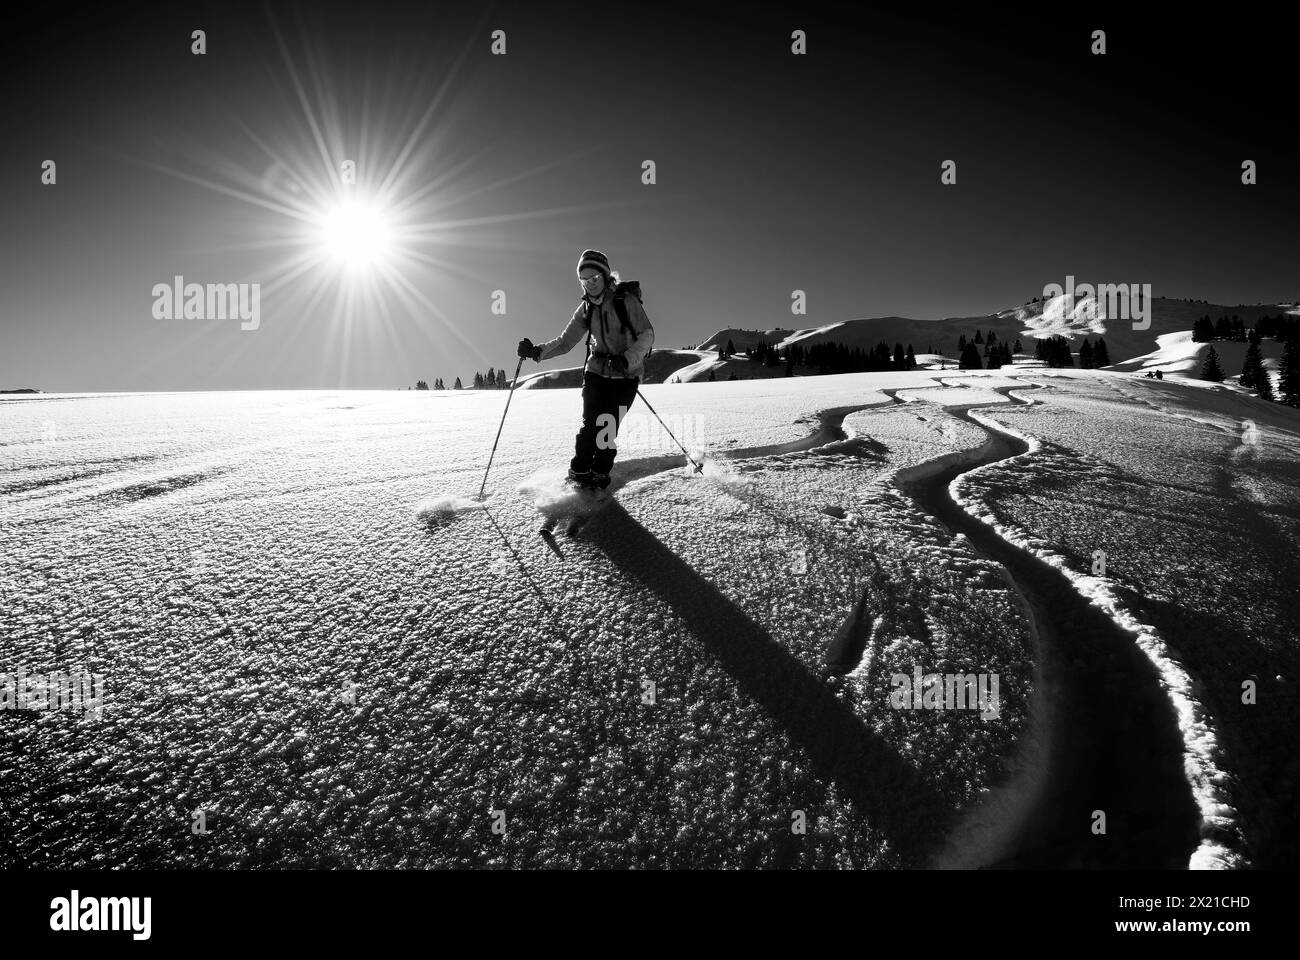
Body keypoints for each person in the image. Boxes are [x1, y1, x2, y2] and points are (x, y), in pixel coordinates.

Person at [517, 249, 655, 491]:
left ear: (605, 276)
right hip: (595, 372)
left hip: (625, 375)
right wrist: (535, 351)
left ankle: (600, 475)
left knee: (606, 428)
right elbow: (565, 341)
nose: (589, 285)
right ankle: (578, 473)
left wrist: (626, 359)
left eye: (594, 279)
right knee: (589, 426)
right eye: (584, 281)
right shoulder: (586, 309)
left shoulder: (625, 302)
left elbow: (647, 335)